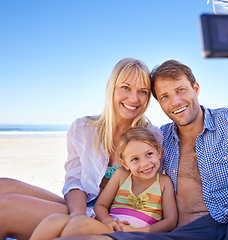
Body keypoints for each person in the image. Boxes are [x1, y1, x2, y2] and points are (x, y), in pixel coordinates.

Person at [56, 4, 228, 240]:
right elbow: (120, 174)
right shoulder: (157, 141)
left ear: (196, 87)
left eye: (181, 90)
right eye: (165, 96)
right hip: (182, 232)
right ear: (158, 103)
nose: (175, 102)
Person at [0, 58, 162, 240]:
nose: (134, 98)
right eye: (126, 87)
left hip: (115, 218)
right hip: (84, 208)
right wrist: (77, 215)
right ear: (111, 87)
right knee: (3, 185)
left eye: (142, 91)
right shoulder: (83, 128)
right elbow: (74, 181)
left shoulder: (152, 137)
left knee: (5, 209)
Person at [30, 127, 177, 240]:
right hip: (111, 230)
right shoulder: (121, 175)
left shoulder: (163, 183)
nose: (145, 163)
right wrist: (107, 221)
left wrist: (135, 231)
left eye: (149, 154)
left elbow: (171, 221)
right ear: (124, 163)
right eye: (135, 159)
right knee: (53, 220)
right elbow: (100, 206)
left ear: (158, 152)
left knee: (80, 223)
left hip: (137, 236)